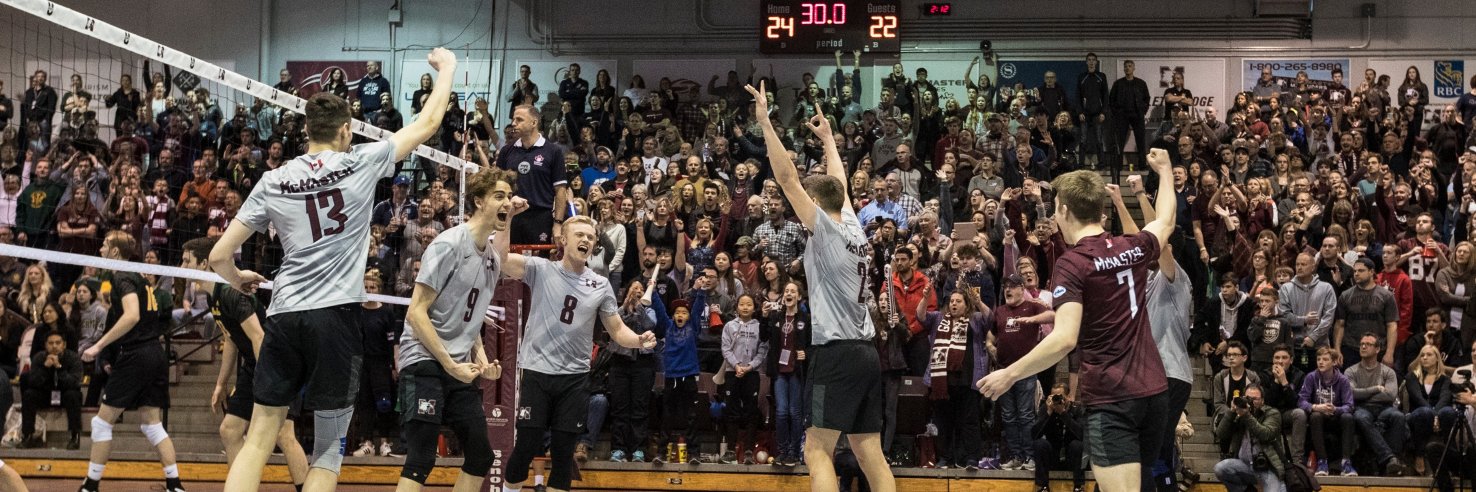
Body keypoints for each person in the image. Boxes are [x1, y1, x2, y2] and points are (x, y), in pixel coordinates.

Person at [210, 48, 460, 492]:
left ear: (306, 130)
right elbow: (428, 125)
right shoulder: (361, 162)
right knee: (327, 448)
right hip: (336, 318)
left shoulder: (273, 178)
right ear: (346, 131)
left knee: (257, 441)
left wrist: (238, 279)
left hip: (284, 316)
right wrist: (448, 70)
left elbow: (217, 257)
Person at [979, 147, 1177, 492]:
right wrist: (1165, 171)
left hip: (1112, 398)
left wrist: (1009, 374)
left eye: (1055, 207)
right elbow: (1166, 221)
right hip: (1154, 394)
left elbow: (1065, 338)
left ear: (1065, 209)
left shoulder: (1072, 263)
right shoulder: (1131, 246)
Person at [743, 82, 895, 491]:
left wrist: (765, 124)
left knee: (816, 451)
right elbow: (839, 181)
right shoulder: (853, 225)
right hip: (865, 352)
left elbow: (787, 177)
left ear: (814, 202)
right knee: (869, 451)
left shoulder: (826, 228)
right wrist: (828, 139)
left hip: (837, 353)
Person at [498, 214, 658, 492]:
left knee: (563, 455)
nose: (586, 240)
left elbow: (617, 330)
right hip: (537, 371)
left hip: (574, 379)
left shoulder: (600, 284)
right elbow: (500, 259)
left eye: (590, 237)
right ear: (563, 240)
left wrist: (639, 340)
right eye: (579, 235)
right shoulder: (541, 269)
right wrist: (508, 218)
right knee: (525, 447)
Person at [396, 168, 521, 491]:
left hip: (457, 367)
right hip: (423, 359)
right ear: (478, 201)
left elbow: (473, 317)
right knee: (422, 457)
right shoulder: (449, 244)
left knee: (481, 454)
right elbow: (416, 313)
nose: (507, 202)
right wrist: (451, 363)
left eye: (508, 196)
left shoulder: (492, 261)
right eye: (499, 196)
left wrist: (480, 359)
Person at [182, 238, 309, 490]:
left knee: (284, 434)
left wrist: (268, 380)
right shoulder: (212, 296)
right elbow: (231, 338)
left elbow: (258, 337)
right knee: (230, 431)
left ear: (205, 263)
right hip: (256, 363)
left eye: (186, 261)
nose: (181, 265)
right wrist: (221, 383)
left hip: (279, 362)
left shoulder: (230, 292)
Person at [78, 231, 182, 492]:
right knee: (152, 424)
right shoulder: (140, 276)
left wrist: (99, 346)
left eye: (104, 245)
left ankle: (90, 486)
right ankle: (175, 484)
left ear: (114, 252)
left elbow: (132, 315)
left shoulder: (122, 276)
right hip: (154, 353)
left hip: (136, 354)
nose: (100, 248)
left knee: (102, 423)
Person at [496, 105, 571, 246]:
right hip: (512, 216)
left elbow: (560, 191)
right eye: (513, 119)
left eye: (519, 120)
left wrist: (558, 224)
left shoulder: (553, 151)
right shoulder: (506, 151)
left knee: (539, 264)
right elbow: (497, 187)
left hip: (541, 218)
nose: (513, 123)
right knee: (506, 263)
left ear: (534, 123)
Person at [1342, 332, 1410, 476]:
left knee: (1398, 416)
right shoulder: (1351, 371)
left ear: (1378, 349)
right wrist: (1375, 389)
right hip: (1361, 408)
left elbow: (1390, 395)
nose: (1363, 347)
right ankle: (1390, 459)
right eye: (1361, 344)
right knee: (1361, 417)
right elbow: (1351, 394)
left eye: (1368, 344)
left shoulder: (1388, 372)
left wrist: (1364, 395)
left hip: (1384, 408)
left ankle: (1392, 461)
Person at [1211, 385, 1286, 492]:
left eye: (1255, 399)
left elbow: (1266, 434)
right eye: (1247, 398)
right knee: (1221, 468)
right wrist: (1231, 411)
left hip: (1267, 468)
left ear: (1262, 400)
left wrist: (1247, 416)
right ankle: (1246, 490)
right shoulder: (1238, 414)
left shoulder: (1272, 413)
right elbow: (1221, 434)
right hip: (1244, 465)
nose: (1251, 402)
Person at [19, 330, 83, 450]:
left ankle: (75, 436)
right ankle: (27, 436)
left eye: (58, 343)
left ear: (64, 344)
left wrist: (59, 367)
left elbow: (74, 383)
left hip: (65, 394)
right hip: (46, 394)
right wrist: (45, 367)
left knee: (73, 395)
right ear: (45, 345)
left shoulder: (73, 358)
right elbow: (33, 382)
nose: (54, 346)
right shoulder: (39, 358)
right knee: (29, 395)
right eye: (51, 343)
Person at [1299, 347, 1357, 476]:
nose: (1321, 362)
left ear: (1334, 362)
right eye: (1319, 359)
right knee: (1315, 416)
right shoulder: (1311, 377)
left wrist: (1336, 409)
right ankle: (1322, 462)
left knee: (1348, 417)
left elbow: (1349, 405)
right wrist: (1315, 407)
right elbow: (1301, 401)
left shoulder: (1343, 380)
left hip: (1336, 416)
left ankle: (1346, 462)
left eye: (1325, 359)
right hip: (1319, 416)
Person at [1032, 383, 1087, 492]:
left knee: (1078, 445)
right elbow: (1034, 435)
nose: (1057, 399)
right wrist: (1048, 413)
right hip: (1053, 456)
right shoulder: (1046, 409)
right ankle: (1043, 487)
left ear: (1068, 397)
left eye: (1060, 396)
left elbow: (1082, 434)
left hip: (1071, 457)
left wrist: (1063, 413)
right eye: (1054, 396)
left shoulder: (1076, 409)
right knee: (1039, 444)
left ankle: (1078, 487)